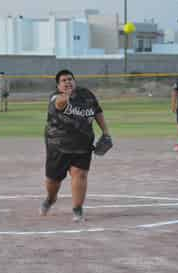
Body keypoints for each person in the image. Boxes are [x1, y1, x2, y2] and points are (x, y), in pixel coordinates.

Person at [40, 69, 111, 222]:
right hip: (58, 146)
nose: (67, 82)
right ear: (58, 85)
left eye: (70, 79)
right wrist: (67, 96)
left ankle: (77, 209)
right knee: (54, 180)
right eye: (64, 81)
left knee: (80, 174)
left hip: (83, 144)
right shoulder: (55, 97)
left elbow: (97, 112)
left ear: (75, 81)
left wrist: (106, 132)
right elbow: (59, 104)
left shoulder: (86, 95)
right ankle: (51, 199)